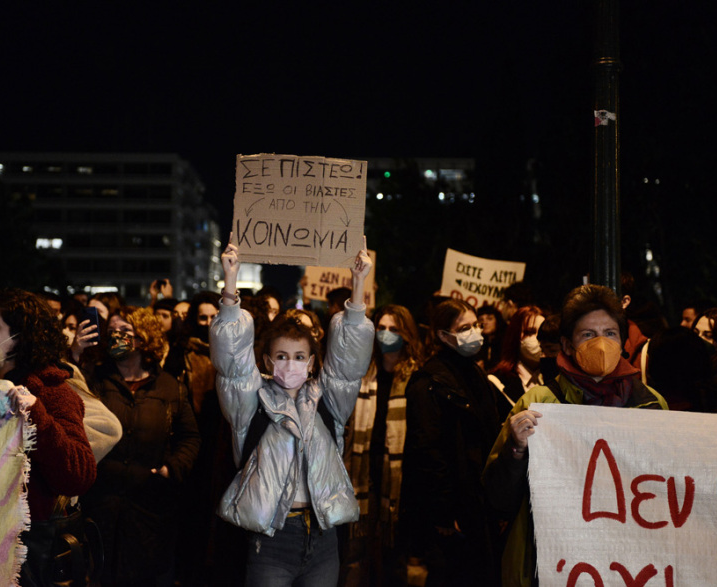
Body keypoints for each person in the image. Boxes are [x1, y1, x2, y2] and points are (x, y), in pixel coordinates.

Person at [212, 236, 373, 586]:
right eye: (282, 356)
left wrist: (358, 285)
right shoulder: (251, 402)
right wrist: (230, 285)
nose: (291, 364)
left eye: (300, 357)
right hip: (271, 541)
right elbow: (233, 364)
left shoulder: (329, 400)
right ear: (268, 360)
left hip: (323, 538)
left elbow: (348, 364)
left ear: (313, 362)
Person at [482, 284, 668, 587]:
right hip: (553, 566)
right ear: (567, 345)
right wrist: (515, 450)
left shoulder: (651, 404)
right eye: (588, 335)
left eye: (610, 333)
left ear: (622, 342)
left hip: (628, 567)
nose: (601, 343)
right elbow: (498, 499)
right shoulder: (537, 405)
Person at [0, 288, 97, 586]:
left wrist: (36, 414)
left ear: (20, 337)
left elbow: (79, 474)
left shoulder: (53, 392)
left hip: (26, 544)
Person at [81, 305, 200, 587]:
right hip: (101, 505)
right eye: (112, 332)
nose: (117, 337)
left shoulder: (169, 387)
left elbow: (190, 437)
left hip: (149, 508)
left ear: (144, 337)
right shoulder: (96, 381)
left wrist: (171, 469)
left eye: (125, 331)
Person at [400, 299, 502, 586]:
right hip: (453, 511)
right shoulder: (429, 382)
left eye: (476, 325)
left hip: (478, 502)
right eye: (465, 327)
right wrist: (443, 512)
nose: (475, 332)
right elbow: (428, 451)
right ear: (444, 336)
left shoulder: (476, 374)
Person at [341, 304, 423, 587]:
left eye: (394, 329)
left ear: (407, 335)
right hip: (362, 474)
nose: (386, 334)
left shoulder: (416, 378)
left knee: (393, 556)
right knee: (354, 551)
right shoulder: (362, 371)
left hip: (397, 480)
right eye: (381, 328)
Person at [488, 306, 547, 409]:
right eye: (530, 332)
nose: (538, 339)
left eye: (542, 333)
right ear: (515, 336)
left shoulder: (553, 380)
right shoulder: (496, 382)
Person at [476, 304, 507, 371]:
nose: (485, 322)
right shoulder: (478, 343)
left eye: (489, 319)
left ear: (497, 321)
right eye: (481, 320)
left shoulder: (505, 341)